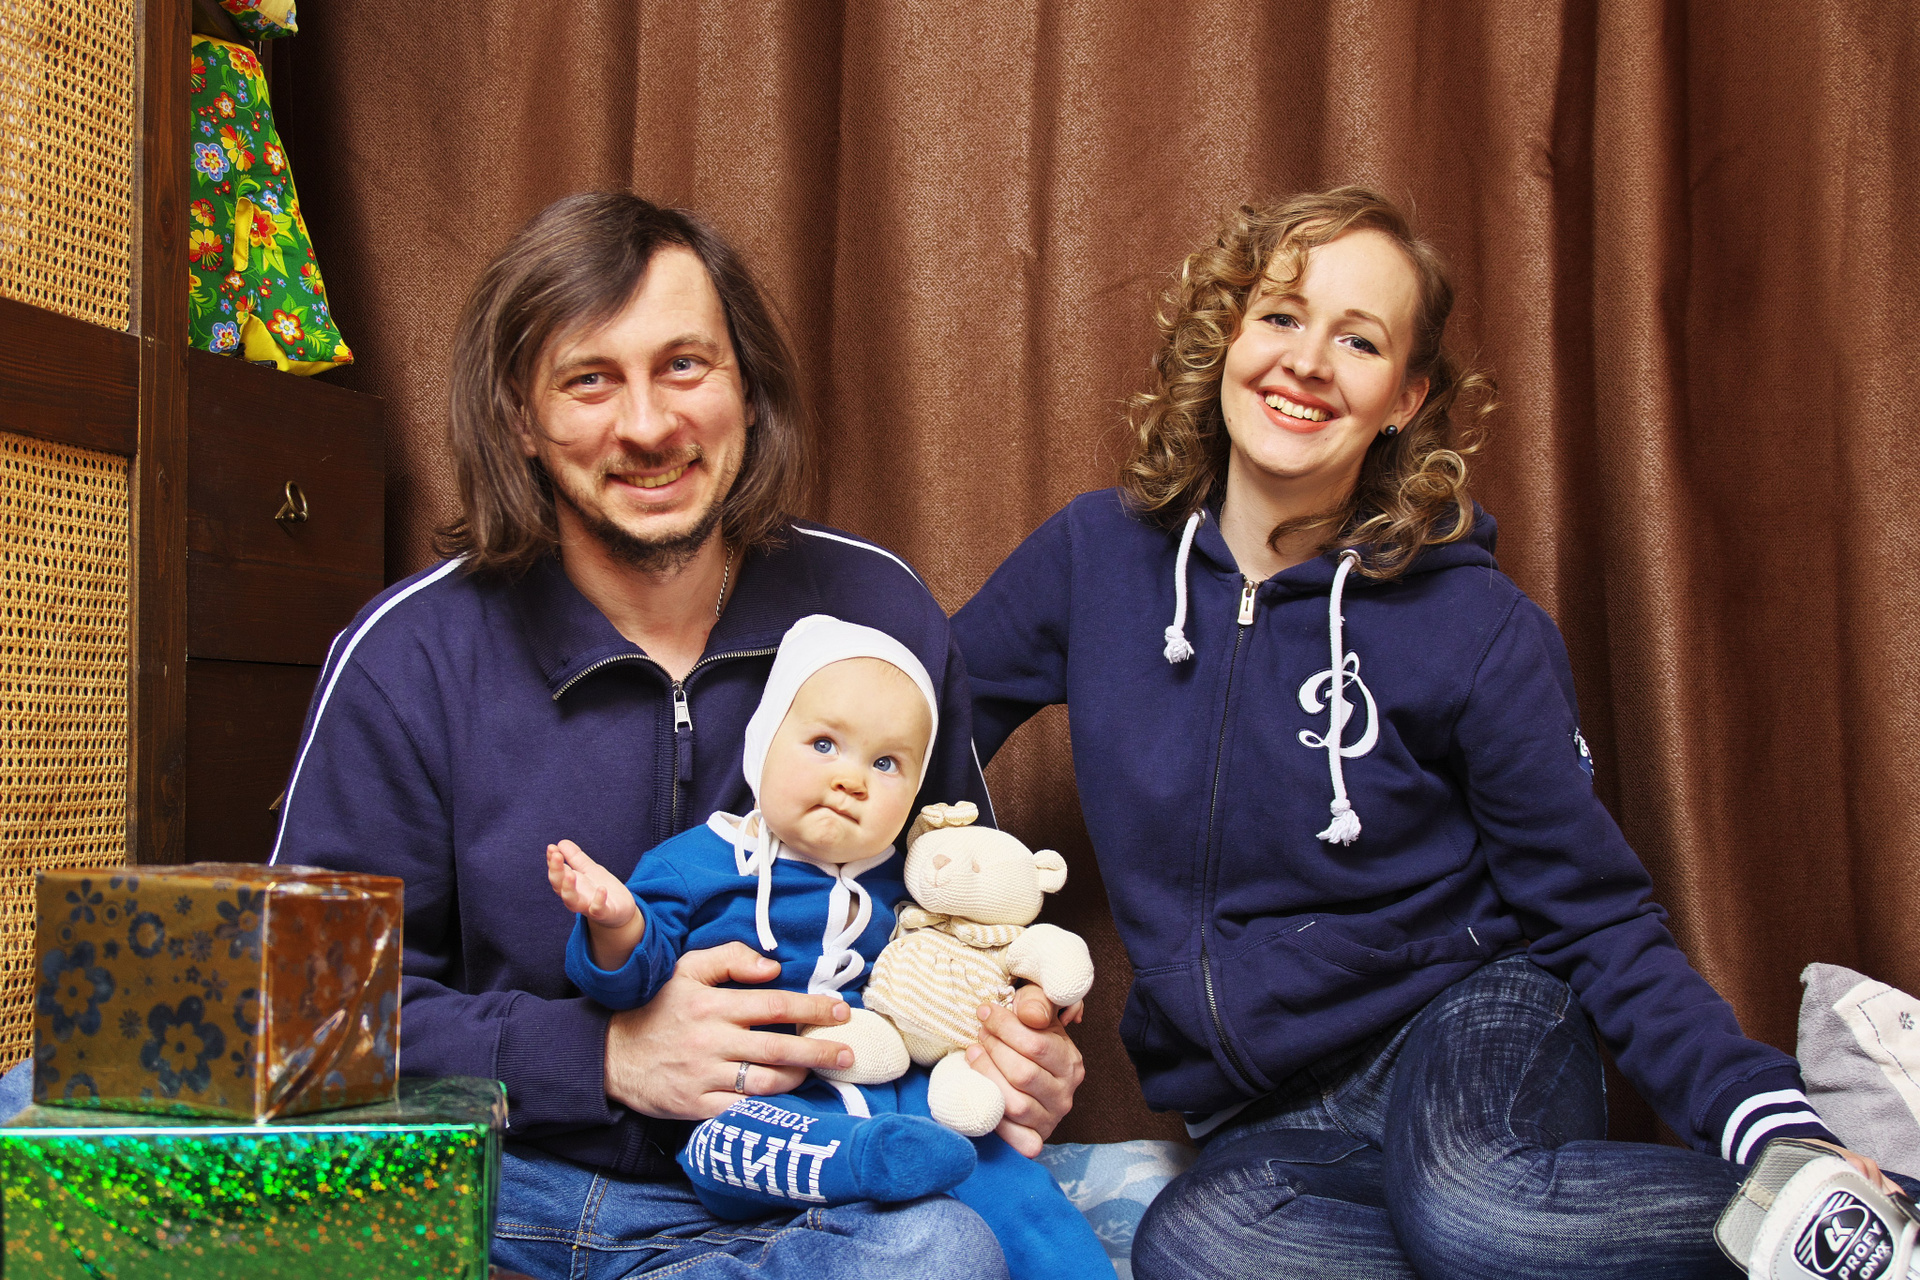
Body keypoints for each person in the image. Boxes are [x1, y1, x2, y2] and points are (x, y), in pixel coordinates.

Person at [953, 186, 1906, 1280]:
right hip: (1270, 1105)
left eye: (1357, 340)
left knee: (1472, 1205)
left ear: (1404, 398)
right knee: (1197, 1247)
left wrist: (1772, 1125)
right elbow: (909, 732)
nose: (1306, 361)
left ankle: (1869, 1217)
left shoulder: (1476, 626)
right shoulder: (1094, 557)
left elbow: (1597, 915)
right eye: (1280, 316)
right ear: (1227, 340)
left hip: (1470, 1020)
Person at [270, 191, 1084, 1280]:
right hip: (509, 1186)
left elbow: (956, 910)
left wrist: (1013, 1049)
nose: (649, 426)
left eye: (685, 366)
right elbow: (309, 1017)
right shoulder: (408, 656)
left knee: (940, 1252)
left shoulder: (878, 613)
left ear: (747, 386)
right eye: (590, 379)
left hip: (804, 1184)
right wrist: (602, 1056)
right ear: (519, 415)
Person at [547, 614, 1112, 1277]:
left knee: (1009, 1179)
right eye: (823, 744)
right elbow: (625, 985)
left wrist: (1022, 995)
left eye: (886, 763)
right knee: (733, 1142)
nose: (852, 780)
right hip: (752, 1100)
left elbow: (964, 956)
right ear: (764, 743)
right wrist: (616, 924)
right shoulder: (697, 863)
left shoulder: (908, 883)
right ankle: (863, 1164)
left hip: (892, 1088)